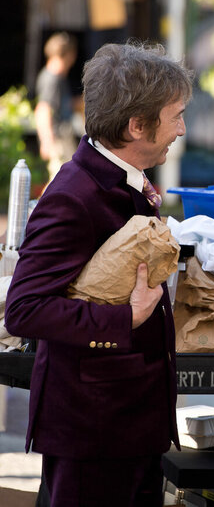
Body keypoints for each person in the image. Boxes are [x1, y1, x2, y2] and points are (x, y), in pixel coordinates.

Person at [6, 41, 193, 507]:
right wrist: (125, 320)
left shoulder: (119, 178)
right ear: (136, 126)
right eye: (175, 117)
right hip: (92, 434)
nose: (182, 129)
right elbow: (25, 310)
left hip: (128, 427)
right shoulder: (73, 195)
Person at [35, 32, 79, 185]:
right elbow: (43, 109)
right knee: (60, 182)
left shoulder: (58, 78)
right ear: (69, 55)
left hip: (62, 137)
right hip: (57, 139)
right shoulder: (51, 78)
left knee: (67, 179)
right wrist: (46, 140)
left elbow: (61, 105)